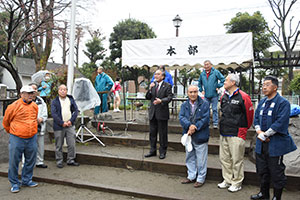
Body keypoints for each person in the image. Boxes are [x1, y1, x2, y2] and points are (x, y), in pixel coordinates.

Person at [250, 76, 297, 200]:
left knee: (276, 171)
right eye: (263, 85)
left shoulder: (283, 103)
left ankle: (277, 197)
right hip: (261, 143)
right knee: (261, 169)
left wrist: (266, 134)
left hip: (275, 143)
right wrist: (259, 131)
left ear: (275, 87)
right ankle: (263, 193)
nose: (264, 87)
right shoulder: (262, 102)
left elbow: (280, 122)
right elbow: (256, 118)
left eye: (267, 84)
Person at [217, 74, 254, 192]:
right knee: (224, 158)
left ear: (233, 82)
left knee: (237, 159)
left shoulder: (243, 96)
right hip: (224, 132)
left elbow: (249, 115)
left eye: (226, 80)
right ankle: (227, 180)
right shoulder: (224, 96)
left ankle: (237, 181)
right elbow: (221, 112)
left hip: (237, 132)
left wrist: (244, 128)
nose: (224, 81)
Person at [2, 85, 39, 193]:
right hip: (17, 138)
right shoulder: (13, 106)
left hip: (32, 137)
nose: (30, 95)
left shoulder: (35, 106)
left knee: (30, 160)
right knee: (14, 161)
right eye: (28, 93)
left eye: (32, 93)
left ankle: (26, 180)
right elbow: (6, 122)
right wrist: (14, 132)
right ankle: (14, 183)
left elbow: (34, 119)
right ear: (21, 94)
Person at [179, 85, 210, 188]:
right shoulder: (184, 105)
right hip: (188, 135)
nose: (193, 94)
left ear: (198, 92)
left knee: (201, 159)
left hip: (200, 135)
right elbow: (181, 117)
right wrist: (189, 126)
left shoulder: (204, 104)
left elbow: (205, 119)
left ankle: (201, 178)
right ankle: (191, 176)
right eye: (191, 92)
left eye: (195, 92)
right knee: (189, 157)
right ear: (187, 93)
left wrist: (195, 127)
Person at [145, 69, 173, 159]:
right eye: (155, 74)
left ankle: (162, 151)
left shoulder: (167, 86)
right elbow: (147, 97)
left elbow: (170, 97)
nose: (156, 76)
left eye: (158, 74)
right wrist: (149, 89)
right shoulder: (153, 85)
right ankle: (152, 150)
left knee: (162, 134)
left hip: (162, 112)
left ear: (163, 76)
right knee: (152, 133)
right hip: (153, 113)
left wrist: (161, 101)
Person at [51, 84, 79, 168]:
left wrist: (71, 121)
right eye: (61, 89)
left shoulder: (70, 99)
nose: (63, 91)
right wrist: (62, 122)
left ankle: (71, 159)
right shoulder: (54, 101)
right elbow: (54, 114)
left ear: (67, 91)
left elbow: (76, 110)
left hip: (70, 125)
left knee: (71, 143)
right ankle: (59, 161)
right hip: (59, 126)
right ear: (58, 91)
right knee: (59, 144)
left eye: (64, 89)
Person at [198, 60, 225, 129]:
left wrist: (218, 86)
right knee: (205, 109)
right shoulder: (202, 74)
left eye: (207, 64)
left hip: (214, 95)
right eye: (205, 65)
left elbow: (223, 79)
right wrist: (201, 90)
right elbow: (199, 83)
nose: (206, 66)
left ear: (211, 65)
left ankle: (215, 123)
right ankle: (206, 122)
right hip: (206, 95)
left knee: (214, 109)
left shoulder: (215, 72)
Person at [29, 83, 48, 168]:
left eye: (36, 89)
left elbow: (45, 112)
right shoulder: (26, 100)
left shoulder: (41, 100)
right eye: (32, 89)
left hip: (40, 126)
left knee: (40, 145)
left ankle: (39, 161)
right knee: (28, 147)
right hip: (29, 128)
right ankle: (27, 163)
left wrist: (41, 118)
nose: (34, 91)